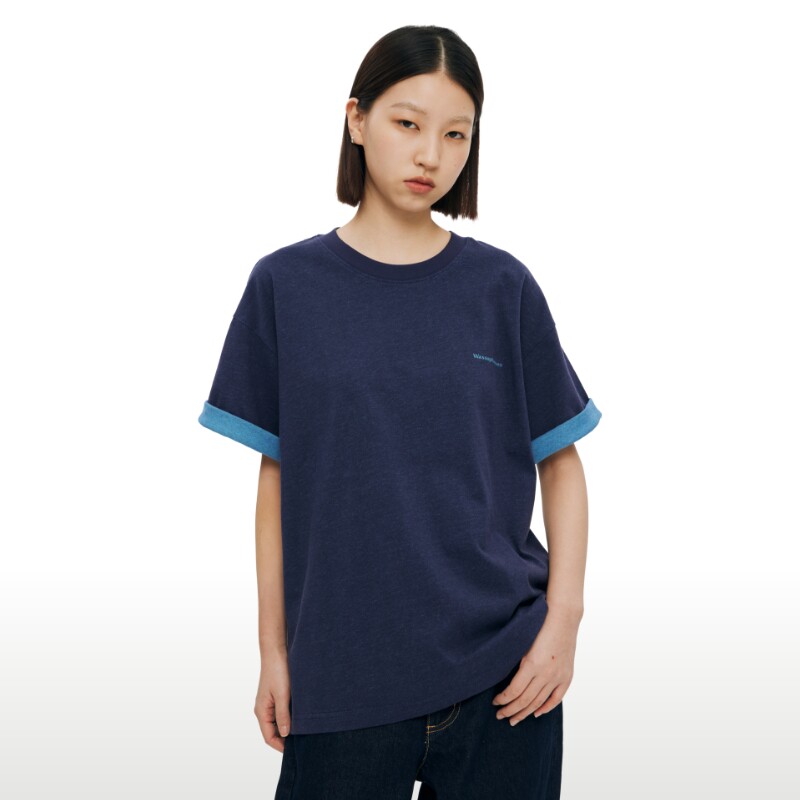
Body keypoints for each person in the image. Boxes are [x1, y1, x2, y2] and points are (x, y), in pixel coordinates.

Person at [198, 24, 601, 800]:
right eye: (408, 124)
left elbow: (561, 461)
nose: (430, 156)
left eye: (456, 135)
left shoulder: (503, 288)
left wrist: (563, 624)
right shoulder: (286, 286)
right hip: (341, 673)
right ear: (356, 119)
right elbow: (277, 480)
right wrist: (273, 652)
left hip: (505, 677)